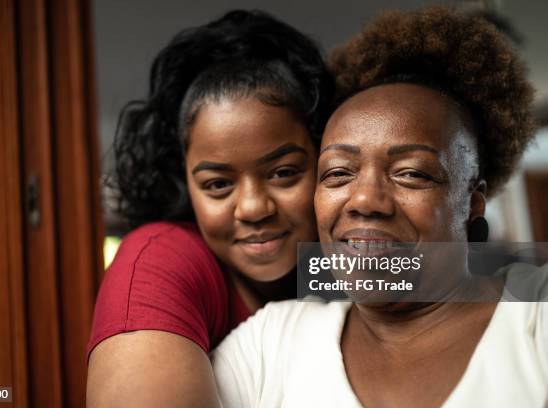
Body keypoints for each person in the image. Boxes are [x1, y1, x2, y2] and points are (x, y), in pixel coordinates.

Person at [212, 6, 547, 407]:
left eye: (412, 173)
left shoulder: (535, 316)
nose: (365, 200)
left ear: (472, 201)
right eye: (337, 173)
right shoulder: (269, 347)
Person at [86, 9, 334, 407]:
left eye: (284, 172)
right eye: (218, 184)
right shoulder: (160, 257)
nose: (253, 208)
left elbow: (461, 276)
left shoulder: (344, 258)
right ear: (183, 182)